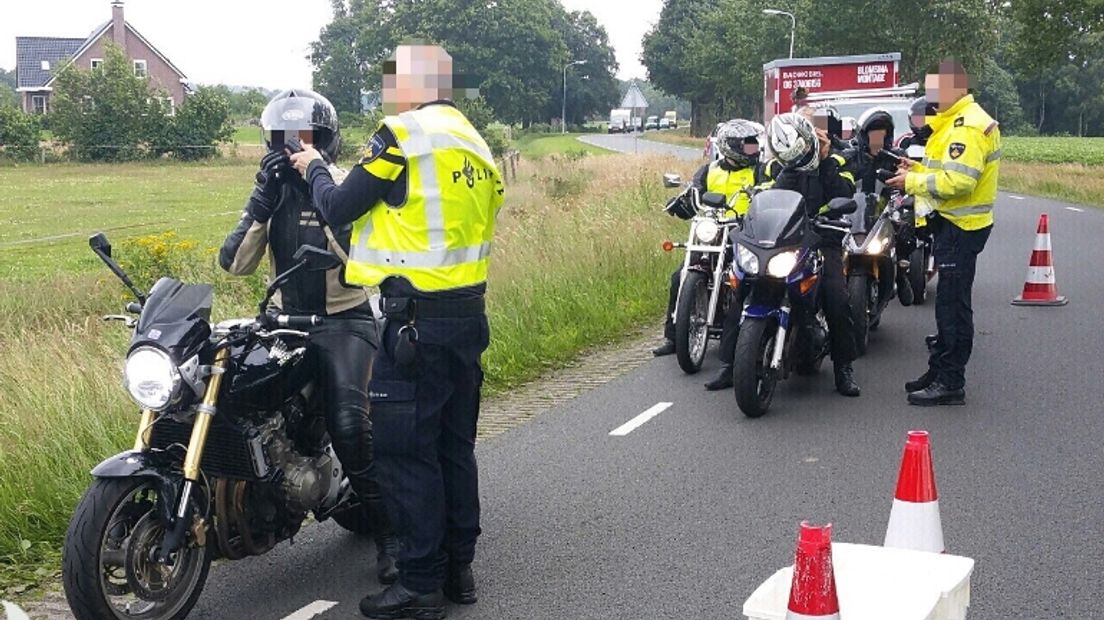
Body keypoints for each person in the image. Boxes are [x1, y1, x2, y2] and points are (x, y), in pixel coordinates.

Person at [289, 44, 503, 619]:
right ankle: (460, 572)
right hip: (467, 318)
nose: (387, 94)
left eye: (391, 83)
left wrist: (314, 170)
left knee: (407, 455)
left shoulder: (403, 136)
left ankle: (419, 586)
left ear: (411, 86)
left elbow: (339, 207)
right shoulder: (476, 146)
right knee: (454, 448)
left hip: (414, 324)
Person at [218, 89, 399, 584]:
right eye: (282, 141)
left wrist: (317, 188)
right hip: (282, 321)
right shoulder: (271, 197)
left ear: (326, 141)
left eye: (305, 139)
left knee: (349, 425)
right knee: (230, 398)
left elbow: (361, 259)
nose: (293, 149)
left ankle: (393, 536)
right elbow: (233, 264)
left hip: (344, 321)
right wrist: (261, 201)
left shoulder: (340, 185)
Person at [887, 59, 1000, 406]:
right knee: (946, 309)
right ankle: (939, 370)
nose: (932, 95)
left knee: (952, 308)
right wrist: (917, 168)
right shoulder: (955, 121)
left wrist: (913, 181)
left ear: (958, 88)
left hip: (960, 227)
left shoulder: (967, 126)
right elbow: (946, 169)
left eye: (937, 88)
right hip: (953, 225)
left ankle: (951, 382)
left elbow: (961, 181)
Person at [765, 112, 861, 396]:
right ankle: (731, 363)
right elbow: (772, 196)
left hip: (823, 239)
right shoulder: (785, 163)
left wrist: (825, 159)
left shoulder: (839, 159)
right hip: (786, 241)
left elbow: (844, 190)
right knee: (751, 283)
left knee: (836, 297)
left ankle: (844, 367)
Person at [655, 119, 764, 369]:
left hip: (743, 234)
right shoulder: (709, 170)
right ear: (730, 146)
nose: (753, 150)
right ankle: (674, 337)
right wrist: (680, 202)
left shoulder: (758, 171)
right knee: (678, 277)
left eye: (754, 145)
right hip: (713, 232)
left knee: (743, 282)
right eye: (747, 146)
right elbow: (694, 192)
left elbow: (769, 193)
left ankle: (743, 337)